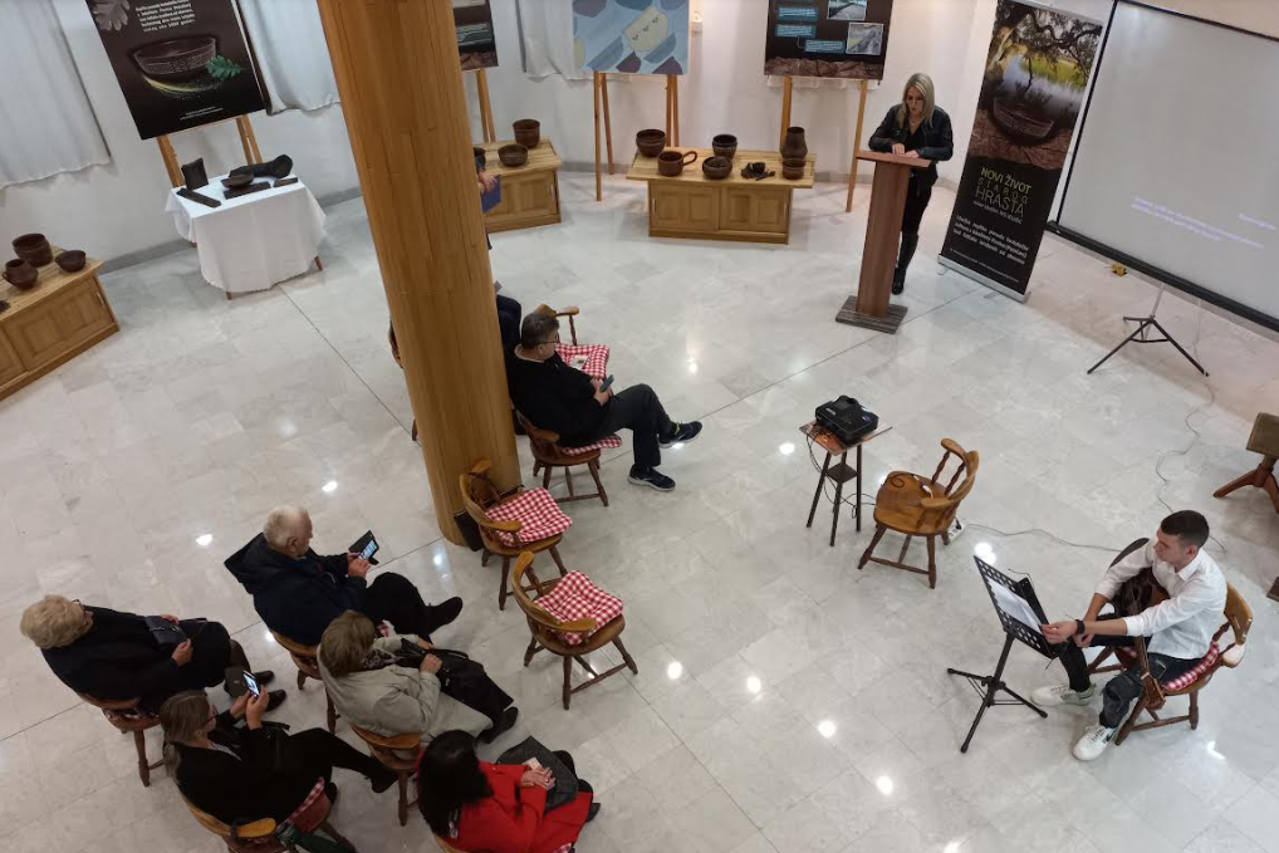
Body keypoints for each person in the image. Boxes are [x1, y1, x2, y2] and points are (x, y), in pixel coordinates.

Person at [1033, 510, 1227, 761]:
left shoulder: (1205, 585)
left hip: (1180, 647)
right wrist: (1088, 621)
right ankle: (1081, 691)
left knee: (1119, 688)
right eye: (1158, 538)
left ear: (1190, 551)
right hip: (1149, 622)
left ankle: (1107, 727)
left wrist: (1081, 626)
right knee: (1067, 640)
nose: (1155, 547)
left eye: (1165, 545)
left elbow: (1146, 623)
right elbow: (1116, 574)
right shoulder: (1161, 546)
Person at [506, 312, 702, 492]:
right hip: (581, 429)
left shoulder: (531, 353)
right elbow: (569, 426)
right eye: (554, 339)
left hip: (585, 406)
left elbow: (564, 370)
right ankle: (667, 434)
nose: (557, 343)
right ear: (540, 348)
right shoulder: (532, 387)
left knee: (645, 411)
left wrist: (590, 379)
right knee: (644, 394)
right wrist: (597, 402)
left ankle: (646, 465)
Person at [224, 505, 462, 646]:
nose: (312, 538)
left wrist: (342, 561)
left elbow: (315, 564)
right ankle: (422, 636)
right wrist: (356, 579)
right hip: (333, 634)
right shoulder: (288, 592)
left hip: (326, 603)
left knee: (394, 591)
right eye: (308, 536)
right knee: (392, 585)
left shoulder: (275, 548)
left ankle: (421, 626)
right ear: (293, 543)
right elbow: (340, 619)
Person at [161, 688, 396, 824]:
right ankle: (326, 791)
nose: (215, 711)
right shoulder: (210, 769)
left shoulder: (178, 737)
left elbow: (215, 728)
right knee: (318, 751)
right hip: (261, 807)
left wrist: (233, 712)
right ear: (197, 731)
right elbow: (261, 774)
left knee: (316, 739)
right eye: (211, 713)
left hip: (245, 781)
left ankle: (374, 774)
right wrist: (254, 722)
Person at [20, 596, 283, 713]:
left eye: (81, 608)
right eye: (85, 619)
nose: (89, 613)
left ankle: (238, 685)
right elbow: (130, 686)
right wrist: (174, 663)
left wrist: (151, 621)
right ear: (70, 637)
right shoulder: (78, 665)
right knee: (228, 647)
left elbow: (118, 618)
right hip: (151, 681)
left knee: (214, 633)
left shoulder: (74, 614)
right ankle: (247, 695)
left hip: (147, 649)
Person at [318, 611, 518, 749]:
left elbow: (376, 644)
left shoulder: (325, 651)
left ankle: (489, 716)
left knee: (465, 675)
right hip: (416, 724)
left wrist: (410, 640)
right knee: (474, 679)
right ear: (360, 655)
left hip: (394, 700)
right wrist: (427, 675)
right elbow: (422, 720)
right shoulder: (378, 698)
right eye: (368, 643)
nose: (373, 642)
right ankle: (493, 726)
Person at [418, 730, 599, 853]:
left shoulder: (434, 775)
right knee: (582, 789)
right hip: (521, 836)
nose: (478, 762)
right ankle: (580, 812)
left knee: (562, 759)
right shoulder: (480, 815)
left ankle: (578, 806)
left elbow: (488, 769)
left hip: (503, 817)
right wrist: (535, 789)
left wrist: (520, 776)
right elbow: (520, 843)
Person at [867, 72, 954, 295]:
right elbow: (873, 141)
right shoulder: (896, 113)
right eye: (909, 98)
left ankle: (901, 271)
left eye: (919, 99)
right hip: (892, 181)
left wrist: (923, 152)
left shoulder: (940, 118)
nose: (913, 104)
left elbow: (947, 151)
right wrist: (891, 143)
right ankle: (885, 265)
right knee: (889, 225)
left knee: (909, 227)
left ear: (928, 98)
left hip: (919, 184)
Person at [476, 148, 522, 351]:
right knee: (507, 318)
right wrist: (477, 187)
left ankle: (516, 356)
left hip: (473, 228)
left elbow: (472, 154)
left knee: (513, 307)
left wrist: (480, 171)